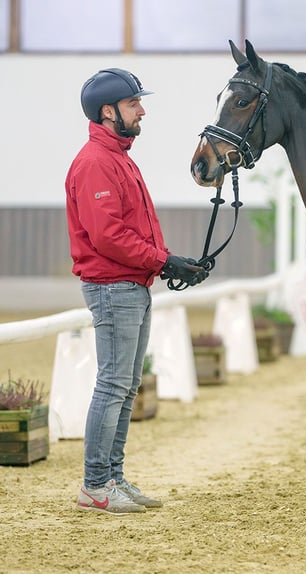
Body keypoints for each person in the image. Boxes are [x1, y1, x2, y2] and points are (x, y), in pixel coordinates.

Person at [65, 68, 208, 515]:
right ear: (109, 112)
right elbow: (108, 236)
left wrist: (168, 260)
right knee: (113, 386)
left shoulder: (119, 157)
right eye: (133, 105)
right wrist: (163, 261)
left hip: (131, 284)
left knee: (126, 388)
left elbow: (133, 228)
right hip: (113, 288)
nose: (142, 111)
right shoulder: (95, 163)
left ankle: (112, 477)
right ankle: (95, 484)